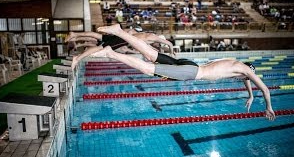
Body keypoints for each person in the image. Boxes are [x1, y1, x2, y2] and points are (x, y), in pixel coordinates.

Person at [87, 24, 276, 121]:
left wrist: (250, 95)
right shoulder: (244, 70)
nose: (244, 81)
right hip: (192, 72)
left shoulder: (237, 64)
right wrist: (268, 106)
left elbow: (246, 80)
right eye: (246, 79)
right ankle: (111, 53)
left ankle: (119, 32)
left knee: (151, 54)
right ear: (249, 72)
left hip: (191, 64)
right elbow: (264, 88)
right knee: (148, 69)